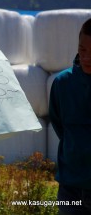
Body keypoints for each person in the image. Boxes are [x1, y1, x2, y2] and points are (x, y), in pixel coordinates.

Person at [49, 18, 91, 214]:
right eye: (82, 50)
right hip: (70, 188)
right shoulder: (62, 83)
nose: (87, 58)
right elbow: (59, 125)